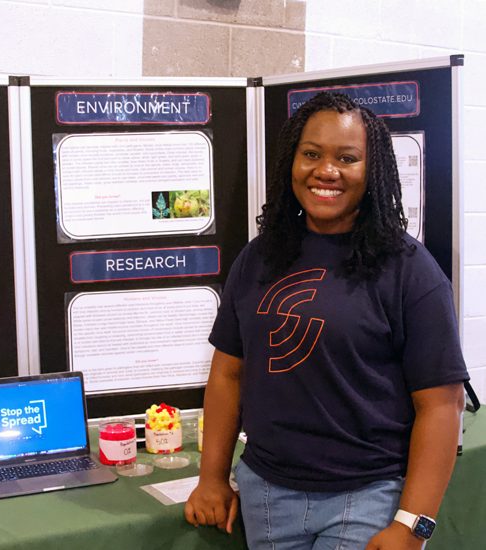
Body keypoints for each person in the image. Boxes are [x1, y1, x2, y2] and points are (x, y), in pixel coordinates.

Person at [184, 92, 469, 549]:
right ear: (291, 163)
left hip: (368, 497)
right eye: (311, 154)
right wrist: (212, 478)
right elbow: (228, 373)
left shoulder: (409, 270)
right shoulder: (260, 257)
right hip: (266, 493)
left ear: (371, 172)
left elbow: (442, 405)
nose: (326, 171)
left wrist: (413, 525)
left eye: (347, 158)